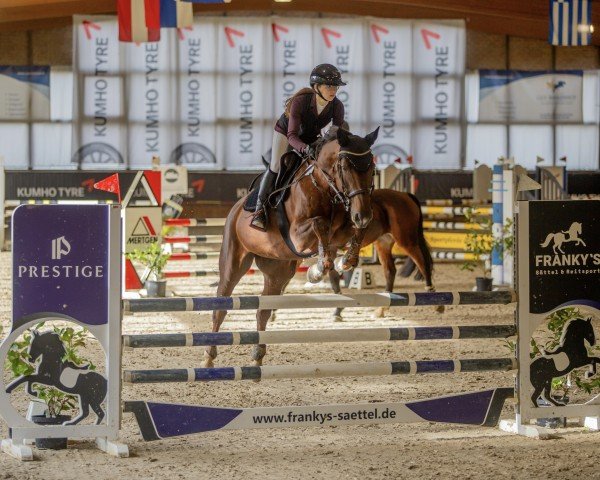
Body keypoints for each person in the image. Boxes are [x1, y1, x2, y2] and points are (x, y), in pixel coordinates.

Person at [250, 63, 347, 231]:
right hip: (286, 133)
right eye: (329, 86)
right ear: (316, 86)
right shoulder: (300, 101)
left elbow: (336, 135)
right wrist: (305, 149)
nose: (334, 90)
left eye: (336, 86)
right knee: (276, 165)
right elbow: (292, 136)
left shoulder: (337, 106)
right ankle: (259, 211)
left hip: (311, 135)